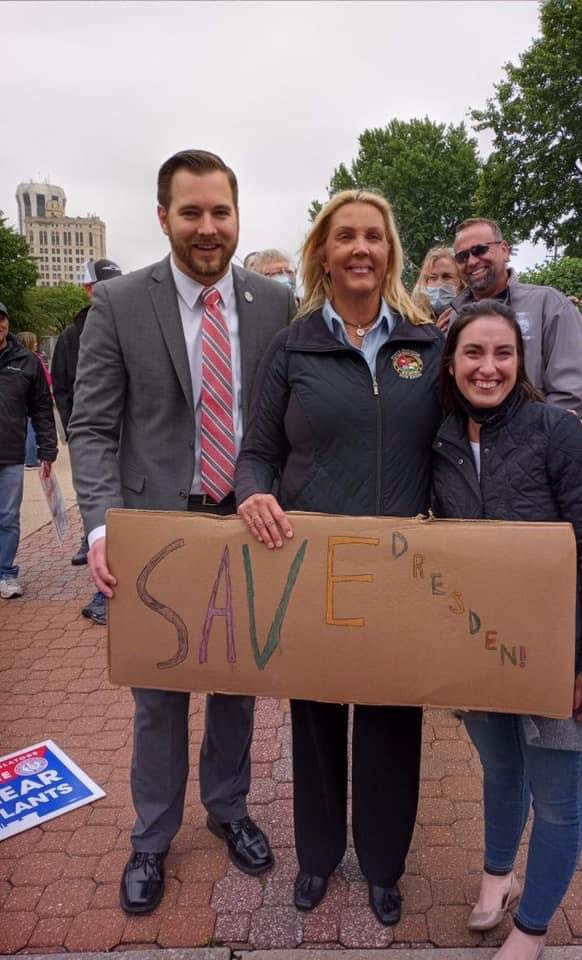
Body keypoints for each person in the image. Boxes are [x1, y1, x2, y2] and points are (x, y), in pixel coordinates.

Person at [68, 149, 295, 916]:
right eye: (191, 212)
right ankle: (152, 838)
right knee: (159, 697)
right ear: (162, 216)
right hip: (157, 530)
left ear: (238, 215)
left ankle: (228, 809)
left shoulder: (273, 303)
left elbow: (286, 420)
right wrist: (101, 528)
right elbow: (92, 427)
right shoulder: (120, 303)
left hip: (245, 526)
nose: (208, 228)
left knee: (238, 684)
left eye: (220, 212)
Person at [235, 189, 444, 926]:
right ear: (322, 252)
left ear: (391, 252)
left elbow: (465, 439)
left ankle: (384, 865)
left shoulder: (428, 342)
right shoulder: (292, 346)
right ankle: (318, 859)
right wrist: (252, 495)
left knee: (392, 721)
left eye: (374, 237)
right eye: (344, 236)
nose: (360, 248)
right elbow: (257, 452)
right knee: (316, 717)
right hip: (312, 565)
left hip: (398, 570)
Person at [431, 300, 582, 960]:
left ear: (522, 362)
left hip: (557, 651)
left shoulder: (556, 433)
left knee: (557, 793)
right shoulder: (443, 438)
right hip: (480, 648)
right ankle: (497, 873)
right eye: (474, 354)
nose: (489, 368)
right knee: (499, 770)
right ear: (451, 362)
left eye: (503, 354)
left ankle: (533, 926)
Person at [450, 218, 582, 413]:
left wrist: (535, 438)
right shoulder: (455, 317)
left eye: (480, 250)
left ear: (505, 250)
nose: (472, 261)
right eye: (462, 256)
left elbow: (568, 394)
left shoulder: (549, 305)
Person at [52, 258, 123, 624]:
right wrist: (76, 432)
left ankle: (109, 592)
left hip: (132, 440)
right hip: (96, 435)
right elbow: (63, 387)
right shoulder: (71, 335)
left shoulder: (133, 321)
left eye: (115, 282)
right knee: (101, 505)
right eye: (101, 285)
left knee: (125, 514)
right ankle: (103, 593)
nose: (109, 289)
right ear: (88, 288)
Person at [0, 303, 58, 599]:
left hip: (10, 454)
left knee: (8, 516)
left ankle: (6, 573)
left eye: (2, 318)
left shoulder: (26, 361)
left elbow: (42, 409)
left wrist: (47, 450)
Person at [15, 331, 51, 468]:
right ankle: (30, 460)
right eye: (34, 342)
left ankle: (27, 456)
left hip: (23, 401)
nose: (36, 344)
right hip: (33, 400)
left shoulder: (18, 361)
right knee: (32, 429)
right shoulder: (34, 360)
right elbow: (45, 380)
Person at [411, 245, 462, 331]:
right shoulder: (412, 323)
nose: (439, 284)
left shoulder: (473, 318)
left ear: (461, 281)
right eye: (433, 277)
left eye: (447, 277)